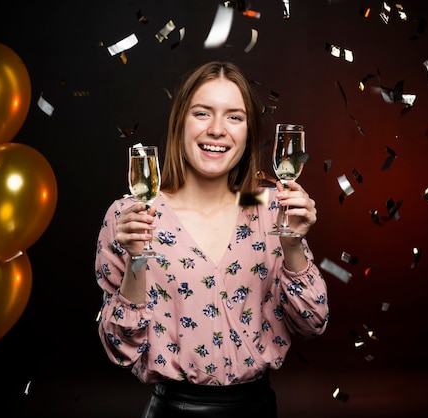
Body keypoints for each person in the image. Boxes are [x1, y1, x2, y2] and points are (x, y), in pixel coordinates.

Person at [94, 60, 329, 418]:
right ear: (180, 124)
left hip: (256, 410)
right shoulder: (133, 215)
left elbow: (313, 324)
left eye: (234, 117)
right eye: (202, 113)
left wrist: (293, 244)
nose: (217, 129)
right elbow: (121, 348)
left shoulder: (269, 206)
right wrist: (137, 259)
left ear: (249, 131)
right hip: (174, 410)